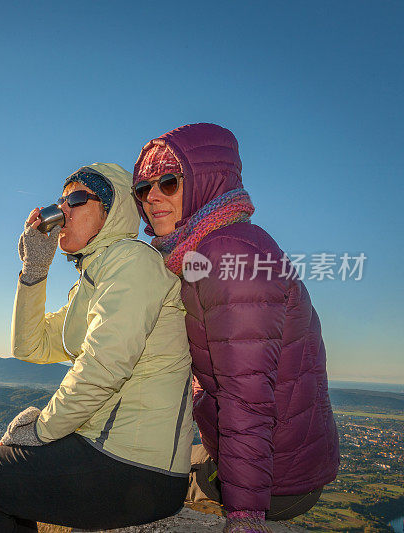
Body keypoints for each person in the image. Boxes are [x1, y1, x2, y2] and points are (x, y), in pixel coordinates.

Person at [0, 162, 194, 532]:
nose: (61, 210)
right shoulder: (92, 281)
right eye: (60, 201)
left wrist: (42, 430)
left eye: (76, 199)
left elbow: (103, 368)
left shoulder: (132, 262)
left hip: (138, 468)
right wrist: (35, 270)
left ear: (111, 211)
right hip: (111, 453)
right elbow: (30, 346)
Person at [132, 123, 340, 533]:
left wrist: (244, 516)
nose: (152, 196)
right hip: (273, 459)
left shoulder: (233, 255)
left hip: (276, 482)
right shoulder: (204, 251)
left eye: (169, 182)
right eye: (143, 188)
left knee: (132, 483)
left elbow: (248, 397)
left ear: (204, 183)